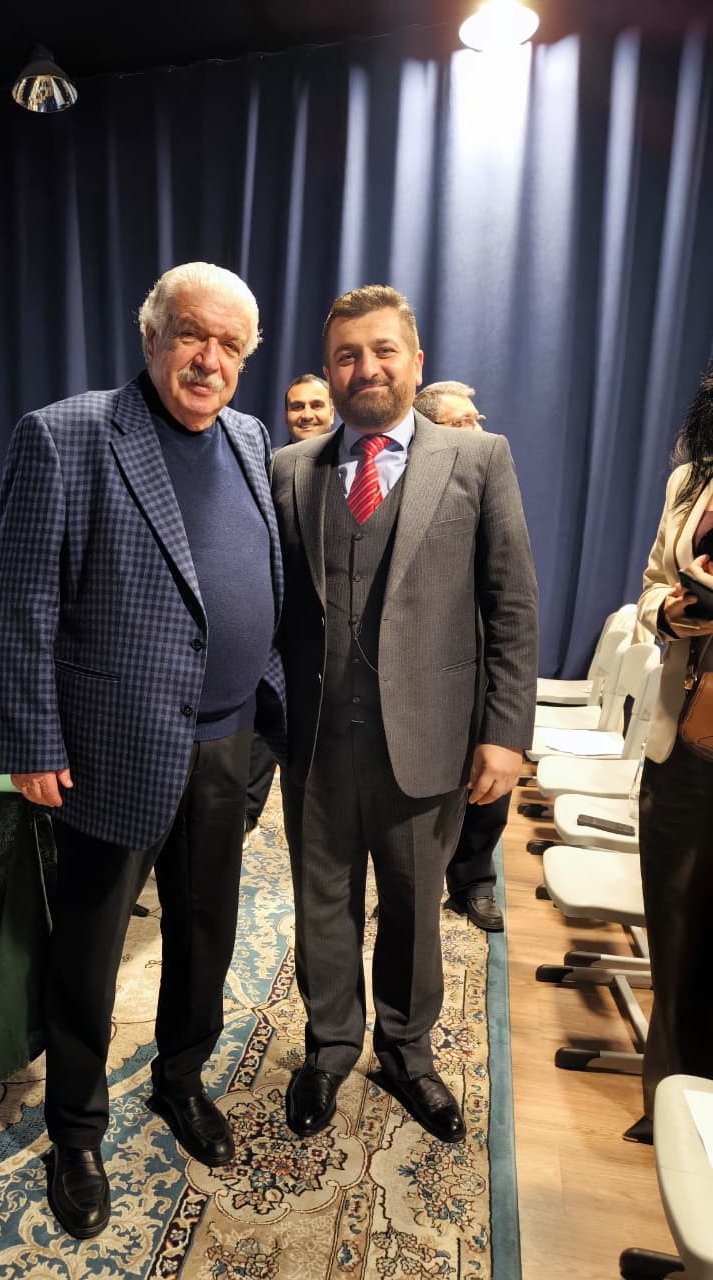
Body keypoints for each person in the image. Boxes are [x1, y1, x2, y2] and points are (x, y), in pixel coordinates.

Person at [0, 262, 286, 1240]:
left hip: (228, 738)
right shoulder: (65, 435)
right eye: (192, 334)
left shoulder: (250, 437)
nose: (210, 359)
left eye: (230, 344)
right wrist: (32, 736)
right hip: (111, 747)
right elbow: (19, 603)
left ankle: (180, 1078)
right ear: (151, 335)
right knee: (89, 950)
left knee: (206, 930)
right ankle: (75, 1131)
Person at [271, 285, 537, 1144]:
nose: (366, 368)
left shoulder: (479, 458)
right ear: (329, 370)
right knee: (322, 904)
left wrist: (505, 733)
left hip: (430, 739)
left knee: (416, 908)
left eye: (383, 350)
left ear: (415, 362)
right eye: (347, 355)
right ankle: (328, 1048)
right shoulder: (290, 470)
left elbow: (512, 605)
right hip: (317, 742)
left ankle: (408, 1054)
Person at [634, 363, 713, 1133]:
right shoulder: (690, 481)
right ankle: (670, 1102)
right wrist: (669, 611)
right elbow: (652, 583)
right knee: (675, 922)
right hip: (683, 732)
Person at [413, 380, 506, 932]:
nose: (475, 429)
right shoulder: (404, 479)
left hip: (481, 653)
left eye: (477, 418)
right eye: (461, 422)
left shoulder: (491, 472)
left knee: (487, 775)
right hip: (423, 661)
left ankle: (475, 883)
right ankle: (417, 884)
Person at [244, 374, 336, 843]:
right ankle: (244, 818)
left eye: (316, 404)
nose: (307, 414)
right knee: (265, 725)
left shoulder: (357, 467)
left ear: (333, 409)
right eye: (297, 406)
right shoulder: (271, 468)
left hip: (338, 635)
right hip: (279, 628)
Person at [284, 373, 335, 443]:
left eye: (316, 406)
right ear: (286, 416)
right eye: (298, 407)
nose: (307, 416)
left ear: (332, 414)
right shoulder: (273, 452)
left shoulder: (346, 450)